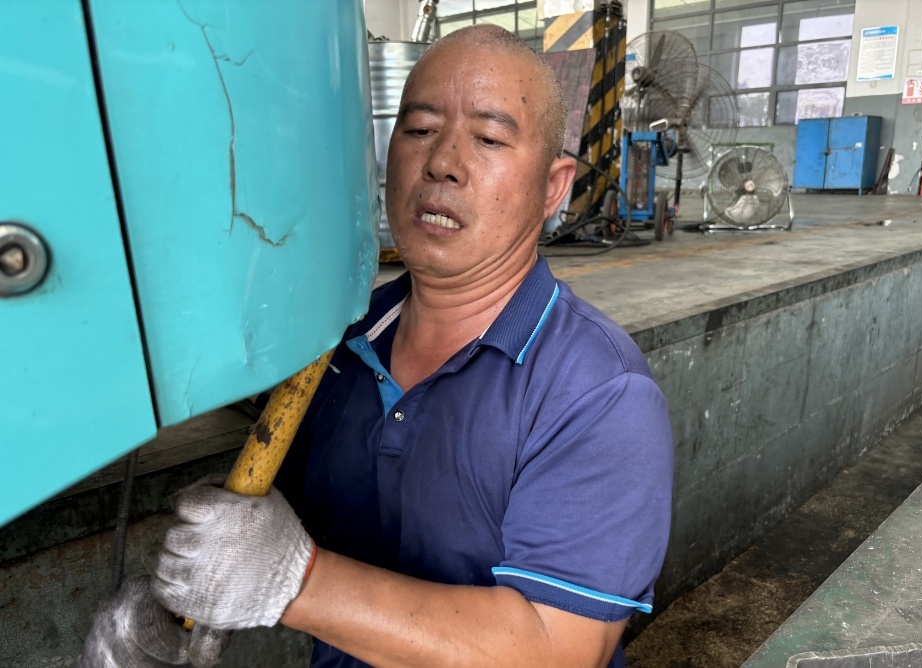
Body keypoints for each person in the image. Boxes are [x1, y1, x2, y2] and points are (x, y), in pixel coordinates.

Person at [80, 24, 673, 668]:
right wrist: (197, 583)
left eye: (488, 138)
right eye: (418, 129)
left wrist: (294, 582)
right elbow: (289, 524)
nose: (442, 162)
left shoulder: (599, 391)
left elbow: (558, 648)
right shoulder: (337, 346)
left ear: (554, 187)